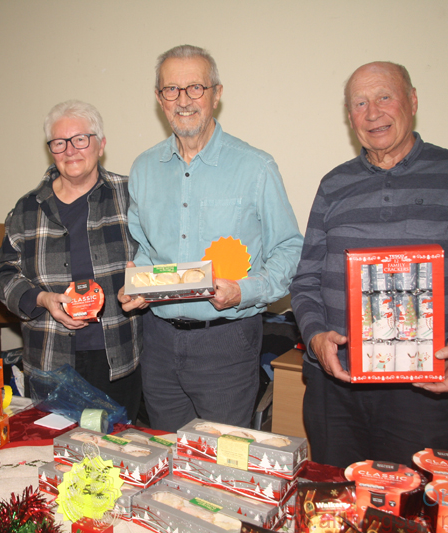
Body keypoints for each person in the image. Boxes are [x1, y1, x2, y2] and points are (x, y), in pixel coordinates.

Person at [289, 61, 448, 468]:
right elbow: (305, 280)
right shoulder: (333, 184)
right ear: (349, 115)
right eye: (359, 103)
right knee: (332, 507)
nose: (372, 112)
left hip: (424, 389)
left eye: (384, 97)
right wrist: (317, 335)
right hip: (336, 385)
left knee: (411, 512)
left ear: (412, 101)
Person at [119, 45, 303, 432]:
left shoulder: (256, 167)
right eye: (171, 89)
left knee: (220, 469)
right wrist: (139, 286)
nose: (183, 101)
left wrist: (245, 291)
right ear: (159, 99)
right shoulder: (143, 168)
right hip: (158, 342)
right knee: (167, 460)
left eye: (195, 88)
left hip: (226, 341)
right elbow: (146, 250)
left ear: (216, 94)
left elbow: (290, 249)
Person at [0, 100, 142, 422]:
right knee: (53, 455)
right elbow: (1, 272)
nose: (70, 150)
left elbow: (156, 255)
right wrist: (41, 298)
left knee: (116, 452)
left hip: (117, 357)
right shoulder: (28, 208)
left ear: (101, 144)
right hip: (50, 359)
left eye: (80, 139)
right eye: (59, 143)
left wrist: (144, 285)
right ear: (51, 150)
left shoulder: (130, 195)